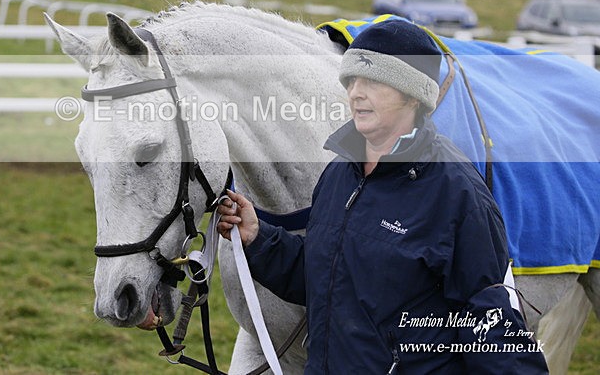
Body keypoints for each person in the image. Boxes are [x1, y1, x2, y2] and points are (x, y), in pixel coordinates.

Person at [217, 19, 548, 373]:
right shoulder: (340, 173)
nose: (356, 93)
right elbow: (324, 277)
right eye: (352, 81)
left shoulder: (457, 192)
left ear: (412, 95)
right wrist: (259, 238)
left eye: (373, 82)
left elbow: (491, 323)